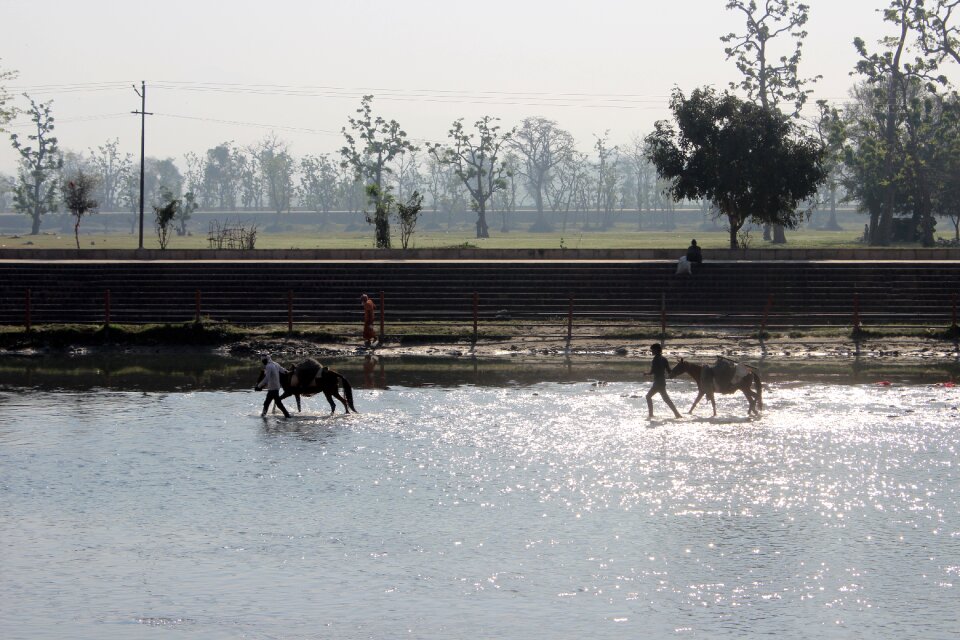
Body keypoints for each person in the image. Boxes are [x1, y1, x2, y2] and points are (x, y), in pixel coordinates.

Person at [645, 343, 682, 419]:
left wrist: (646, 373)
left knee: (648, 396)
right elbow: (669, 371)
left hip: (657, 383)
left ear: (656, 350)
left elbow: (652, 372)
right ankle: (677, 414)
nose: (651, 351)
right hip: (662, 382)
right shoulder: (664, 359)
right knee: (666, 399)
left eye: (652, 350)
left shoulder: (655, 359)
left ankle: (651, 415)